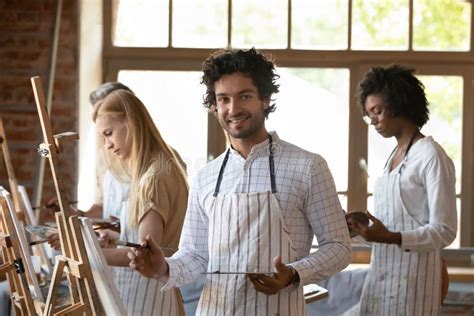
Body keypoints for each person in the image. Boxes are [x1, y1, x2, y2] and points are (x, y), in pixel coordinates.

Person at [128, 47, 352, 315]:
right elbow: (195, 256)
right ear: (215, 105)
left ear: (265, 99)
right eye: (223, 99)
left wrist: (292, 274)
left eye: (244, 96)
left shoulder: (308, 166)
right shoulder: (205, 177)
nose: (233, 109)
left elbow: (339, 248)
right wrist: (162, 267)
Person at [350, 65, 457, 315]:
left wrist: (392, 237)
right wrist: (362, 227)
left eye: (377, 111)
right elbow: (392, 224)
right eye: (369, 114)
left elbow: (445, 230)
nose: (373, 120)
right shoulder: (392, 158)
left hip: (414, 288)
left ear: (400, 104)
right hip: (380, 280)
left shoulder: (430, 156)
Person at [93, 89, 189, 315]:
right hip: (143, 295)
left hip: (147, 300)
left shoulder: (154, 177)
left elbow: (145, 255)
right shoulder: (154, 166)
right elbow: (145, 239)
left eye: (109, 133)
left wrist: (85, 254)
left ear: (131, 122)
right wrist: (118, 239)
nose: (107, 145)